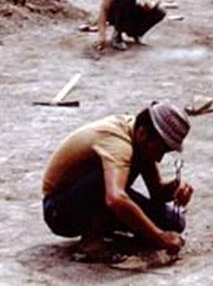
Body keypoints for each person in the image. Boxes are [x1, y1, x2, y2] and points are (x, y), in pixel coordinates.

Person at [41, 101, 193, 260]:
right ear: (143, 133)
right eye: (160, 150)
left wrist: (176, 187)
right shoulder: (118, 143)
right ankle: (91, 241)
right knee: (112, 188)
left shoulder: (139, 137)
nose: (160, 158)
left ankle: (104, 226)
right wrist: (159, 236)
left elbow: (157, 192)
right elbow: (115, 198)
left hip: (95, 197)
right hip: (59, 210)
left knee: (173, 223)